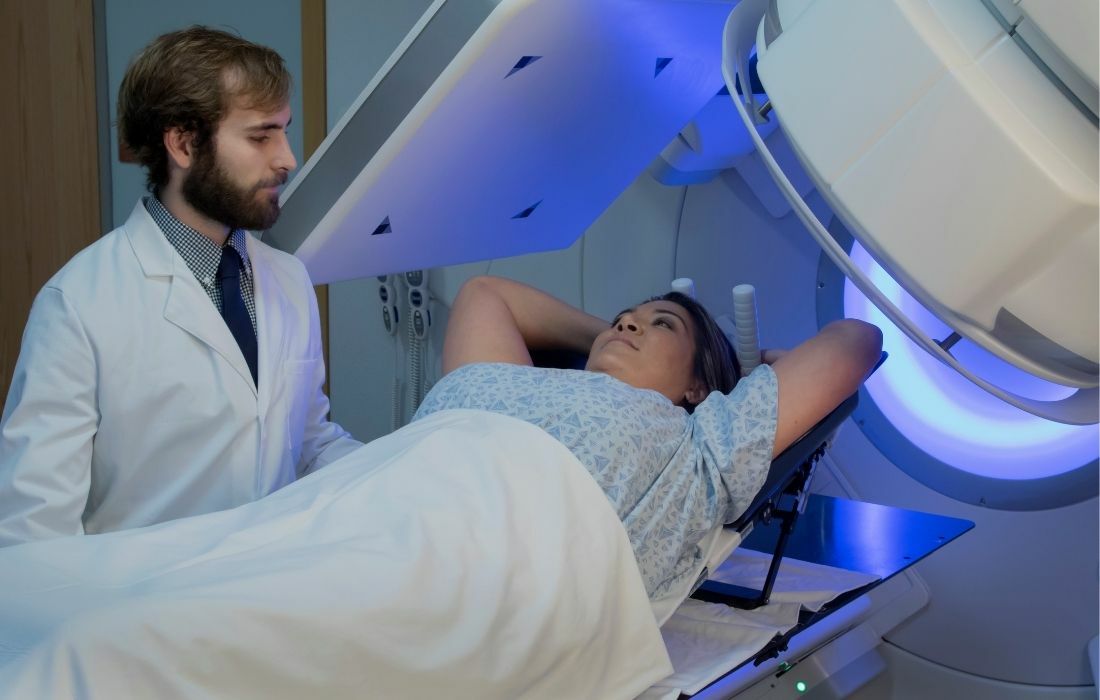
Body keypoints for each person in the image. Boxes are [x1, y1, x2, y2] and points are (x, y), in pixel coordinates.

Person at [0, 26, 361, 546]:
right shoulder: (78, 304)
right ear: (184, 144)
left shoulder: (289, 278)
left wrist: (398, 474)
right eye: (261, 136)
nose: (287, 158)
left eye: (284, 130)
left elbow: (309, 443)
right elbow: (33, 530)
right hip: (143, 609)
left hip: (271, 586)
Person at [413, 275, 883, 599]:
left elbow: (857, 338)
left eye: (664, 323)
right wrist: (619, 336)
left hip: (454, 561)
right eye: (623, 317)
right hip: (391, 496)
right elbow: (484, 293)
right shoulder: (504, 378)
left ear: (697, 388)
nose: (626, 323)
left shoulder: (701, 440)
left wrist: (745, 369)